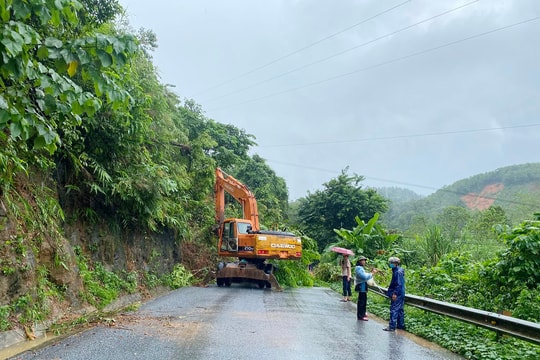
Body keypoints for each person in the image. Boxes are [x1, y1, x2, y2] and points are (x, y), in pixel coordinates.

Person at [383, 256, 406, 331]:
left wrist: (394, 294)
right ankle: (400, 325)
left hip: (398, 293)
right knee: (400, 310)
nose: (390, 264)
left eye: (391, 263)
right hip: (401, 293)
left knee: (394, 309)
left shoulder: (397, 272)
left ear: (395, 263)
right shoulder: (397, 270)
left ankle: (392, 326)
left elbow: (398, 284)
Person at [354, 256, 375, 321]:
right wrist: (372, 274)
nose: (364, 262)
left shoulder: (360, 268)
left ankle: (363, 313)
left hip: (363, 286)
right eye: (362, 260)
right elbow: (364, 277)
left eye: (364, 260)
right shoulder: (358, 268)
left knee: (363, 300)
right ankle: (361, 315)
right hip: (361, 286)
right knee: (362, 301)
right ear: (359, 261)